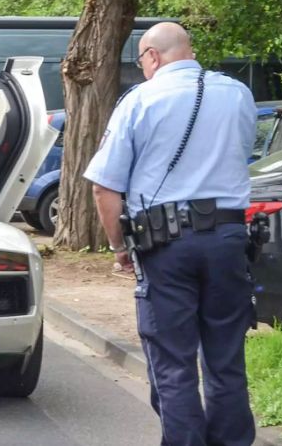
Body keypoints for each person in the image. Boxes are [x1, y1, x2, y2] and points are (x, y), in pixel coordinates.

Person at [83, 22, 257, 446]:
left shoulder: (139, 101)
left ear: (153, 57)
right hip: (230, 239)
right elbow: (242, 153)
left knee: (173, 363)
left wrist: (118, 247)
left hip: (166, 246)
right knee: (226, 359)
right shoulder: (238, 94)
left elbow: (105, 187)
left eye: (141, 60)